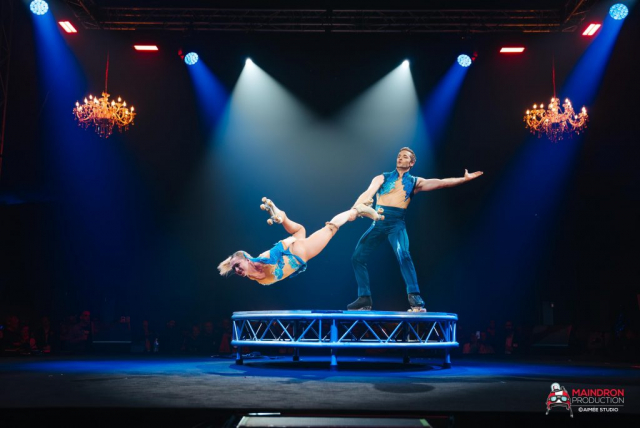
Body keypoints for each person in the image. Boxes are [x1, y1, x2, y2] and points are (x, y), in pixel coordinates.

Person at [348, 147, 483, 311]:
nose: (400, 158)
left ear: (411, 163)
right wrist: (355, 209)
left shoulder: (415, 182)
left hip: (396, 224)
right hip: (379, 221)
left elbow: (441, 183)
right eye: (399, 156)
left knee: (404, 255)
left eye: (404, 157)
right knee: (357, 257)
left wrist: (464, 179)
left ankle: (415, 299)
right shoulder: (382, 177)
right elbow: (368, 193)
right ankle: (364, 299)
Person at [218, 197, 383, 285]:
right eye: (234, 268)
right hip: (295, 251)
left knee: (331, 228)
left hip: (299, 252)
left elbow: (280, 246)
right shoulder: (252, 276)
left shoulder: (262, 260)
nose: (237, 270)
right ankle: (281, 216)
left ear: (247, 259)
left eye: (237, 265)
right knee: (300, 230)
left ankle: (357, 210)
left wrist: (292, 240)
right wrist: (294, 238)